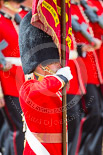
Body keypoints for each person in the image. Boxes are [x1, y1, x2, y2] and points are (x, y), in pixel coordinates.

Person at [19, 11, 73, 155]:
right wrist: (59, 79)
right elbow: (38, 92)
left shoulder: (56, 88)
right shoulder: (28, 87)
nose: (59, 67)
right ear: (42, 65)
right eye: (55, 62)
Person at [0, 0, 26, 154]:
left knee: (22, 130)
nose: (18, 5)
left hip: (21, 82)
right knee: (17, 130)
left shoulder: (15, 21)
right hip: (6, 83)